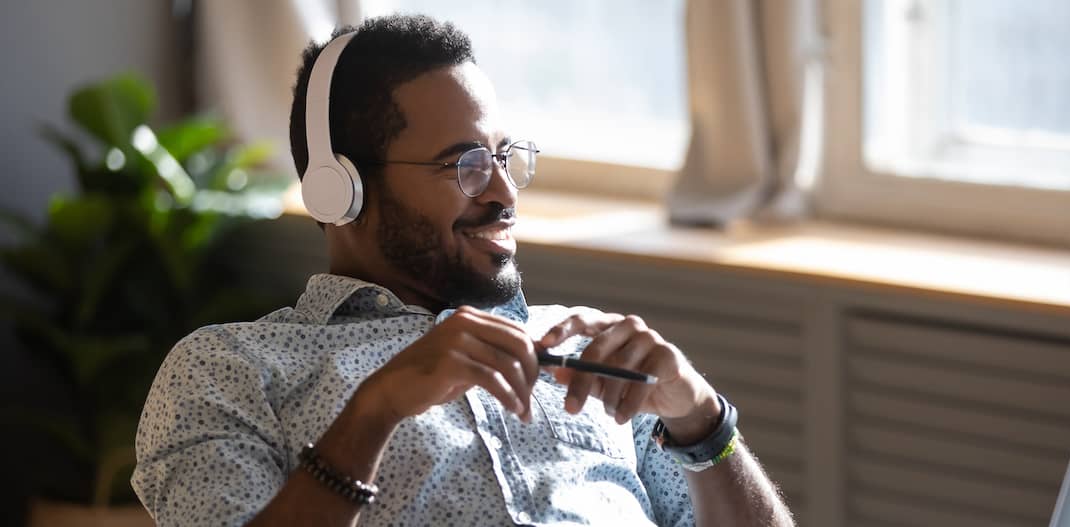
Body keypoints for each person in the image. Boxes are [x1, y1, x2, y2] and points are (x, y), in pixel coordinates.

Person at [131, 13, 794, 527]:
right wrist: (376, 409)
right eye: (466, 165)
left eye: (506, 158)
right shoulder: (230, 369)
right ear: (341, 190)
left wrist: (703, 420)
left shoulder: (588, 355)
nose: (505, 193)